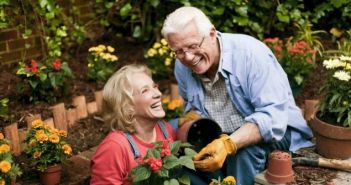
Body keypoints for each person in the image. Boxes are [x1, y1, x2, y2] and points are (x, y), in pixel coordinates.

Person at [161, 6, 314, 185]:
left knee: (241, 153)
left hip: (275, 132)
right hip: (219, 132)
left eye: (192, 46)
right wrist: (191, 119)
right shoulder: (182, 66)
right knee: (179, 153)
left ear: (211, 34)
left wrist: (229, 144)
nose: (187, 57)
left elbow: (273, 117)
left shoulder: (251, 54)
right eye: (178, 51)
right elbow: (192, 107)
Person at [90, 64, 176, 184]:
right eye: (145, 90)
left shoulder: (166, 130)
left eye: (154, 87)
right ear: (127, 107)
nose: (158, 94)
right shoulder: (114, 148)